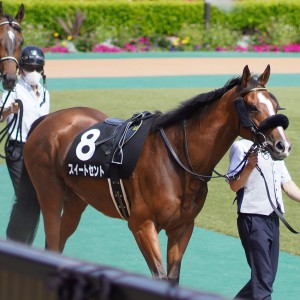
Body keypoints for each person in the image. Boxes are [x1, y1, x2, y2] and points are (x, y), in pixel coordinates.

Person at [227, 138, 300, 300]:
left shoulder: (275, 148)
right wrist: (249, 167)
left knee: (265, 278)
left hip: (273, 220)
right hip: (253, 219)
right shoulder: (241, 147)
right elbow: (234, 185)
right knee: (263, 279)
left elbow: (287, 185)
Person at [0, 45, 50, 245]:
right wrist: (8, 111)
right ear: (21, 69)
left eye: (38, 69)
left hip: (39, 152)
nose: (34, 73)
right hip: (18, 149)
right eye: (30, 68)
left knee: (38, 199)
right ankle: (14, 243)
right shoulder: (12, 90)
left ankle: (23, 243)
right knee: (25, 197)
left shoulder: (45, 94)